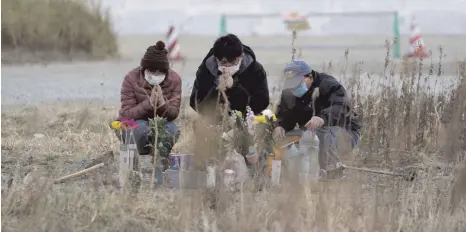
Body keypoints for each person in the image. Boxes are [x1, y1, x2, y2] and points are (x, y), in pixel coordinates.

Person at [273, 60, 361, 179]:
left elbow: (342, 107)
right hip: (310, 133)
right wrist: (280, 125)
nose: (294, 87)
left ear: (309, 77)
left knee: (323, 134)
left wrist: (322, 117)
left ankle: (331, 172)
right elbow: (285, 116)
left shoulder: (328, 85)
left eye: (298, 82)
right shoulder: (289, 94)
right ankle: (286, 173)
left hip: (344, 132)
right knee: (286, 138)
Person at [116, 41, 181, 156]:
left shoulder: (174, 80)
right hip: (131, 123)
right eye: (151, 71)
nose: (155, 75)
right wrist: (149, 103)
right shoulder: (131, 78)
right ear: (144, 69)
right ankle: (139, 155)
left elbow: (174, 113)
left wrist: (162, 104)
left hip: (158, 122)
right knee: (140, 128)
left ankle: (161, 157)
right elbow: (126, 113)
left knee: (172, 129)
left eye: (160, 72)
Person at [189, 34, 270, 119]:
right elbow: (196, 104)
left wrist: (235, 87)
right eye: (223, 63)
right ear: (215, 59)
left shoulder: (255, 69)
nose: (227, 66)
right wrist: (217, 88)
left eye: (232, 62)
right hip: (215, 119)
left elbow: (262, 102)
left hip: (246, 117)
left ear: (241, 56)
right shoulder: (206, 69)